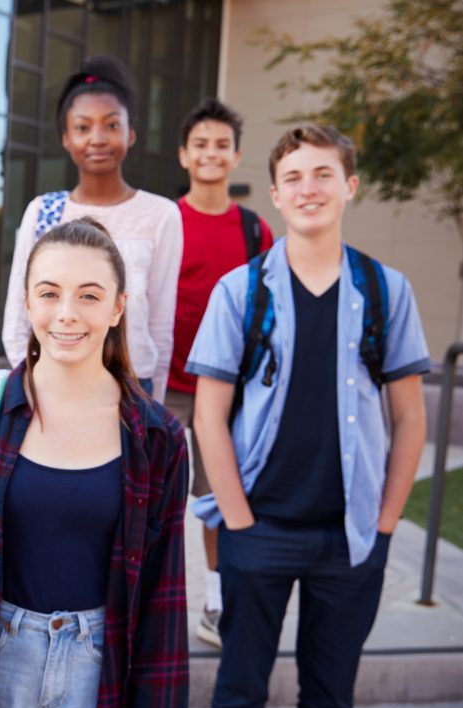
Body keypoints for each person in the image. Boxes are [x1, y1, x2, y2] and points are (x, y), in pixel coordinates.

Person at [189, 123, 429, 708]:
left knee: (330, 703)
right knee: (239, 696)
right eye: (293, 177)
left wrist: (384, 522)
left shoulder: (386, 290)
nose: (308, 188)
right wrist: (235, 519)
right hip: (257, 530)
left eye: (323, 174)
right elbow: (208, 413)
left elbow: (408, 415)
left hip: (349, 539)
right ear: (274, 194)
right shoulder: (241, 292)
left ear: (348, 186)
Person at [0, 218, 189, 708]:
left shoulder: (156, 437)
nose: (67, 313)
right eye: (49, 293)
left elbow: (164, 597)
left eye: (89, 296)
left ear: (119, 307)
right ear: (25, 301)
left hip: (97, 672)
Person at [0, 54, 182, 401]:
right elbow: (17, 318)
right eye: (83, 127)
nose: (97, 138)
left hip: (133, 386)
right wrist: (30, 389)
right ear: (66, 137)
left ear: (130, 134)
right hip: (52, 384)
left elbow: (160, 326)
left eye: (111, 125)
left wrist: (153, 403)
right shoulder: (44, 211)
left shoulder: (162, 215)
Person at [166, 98, 274, 649]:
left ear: (235, 157)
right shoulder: (166, 220)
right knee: (151, 500)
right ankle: (149, 607)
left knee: (217, 499)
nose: (211, 154)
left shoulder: (255, 231)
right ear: (184, 154)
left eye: (221, 145)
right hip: (164, 383)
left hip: (225, 389)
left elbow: (270, 311)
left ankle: (215, 604)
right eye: (200, 144)